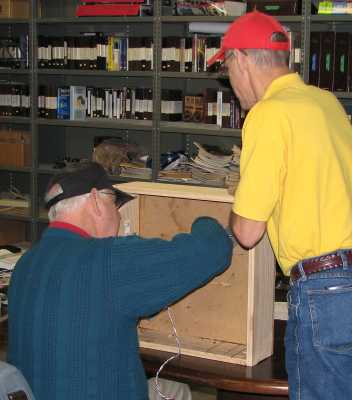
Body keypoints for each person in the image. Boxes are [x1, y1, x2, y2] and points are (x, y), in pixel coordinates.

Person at [208, 10, 352, 400]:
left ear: (240, 59)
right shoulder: (326, 104)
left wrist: (237, 201)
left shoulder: (267, 115)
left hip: (325, 289)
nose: (232, 84)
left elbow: (248, 232)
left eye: (227, 70)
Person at [7, 161, 234, 400]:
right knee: (178, 391)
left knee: (174, 388)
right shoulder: (108, 259)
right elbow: (209, 252)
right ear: (95, 201)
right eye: (115, 204)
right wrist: (206, 220)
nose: (118, 216)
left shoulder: (26, 263)